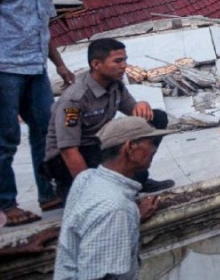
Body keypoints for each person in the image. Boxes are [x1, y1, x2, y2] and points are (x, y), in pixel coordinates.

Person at [0, 0, 74, 226]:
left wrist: (59, 64)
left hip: (36, 70)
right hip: (4, 68)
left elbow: (44, 30)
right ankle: (7, 205)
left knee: (47, 133)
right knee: (6, 138)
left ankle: (47, 194)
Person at [43, 37, 174, 199]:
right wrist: (91, 191)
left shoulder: (114, 84)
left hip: (98, 144)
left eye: (125, 60)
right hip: (69, 156)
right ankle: (73, 188)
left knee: (156, 118)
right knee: (96, 184)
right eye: (118, 61)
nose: (124, 65)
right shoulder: (74, 98)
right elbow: (68, 150)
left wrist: (141, 104)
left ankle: (139, 179)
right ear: (96, 64)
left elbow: (133, 111)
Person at [54, 116, 168, 280]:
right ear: (129, 147)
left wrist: (133, 216)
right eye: (150, 142)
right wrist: (123, 215)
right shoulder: (115, 208)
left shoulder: (86, 177)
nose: (154, 149)